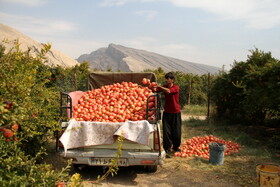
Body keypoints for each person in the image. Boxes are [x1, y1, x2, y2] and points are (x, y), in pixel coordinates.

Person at [155, 72, 182, 158]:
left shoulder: (176, 87)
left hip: (176, 112)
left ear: (173, 80)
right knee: (167, 132)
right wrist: (150, 86)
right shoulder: (165, 86)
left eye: (169, 78)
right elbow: (156, 89)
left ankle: (176, 147)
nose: (168, 80)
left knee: (176, 132)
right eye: (167, 78)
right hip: (167, 112)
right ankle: (167, 149)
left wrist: (159, 87)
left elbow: (168, 91)